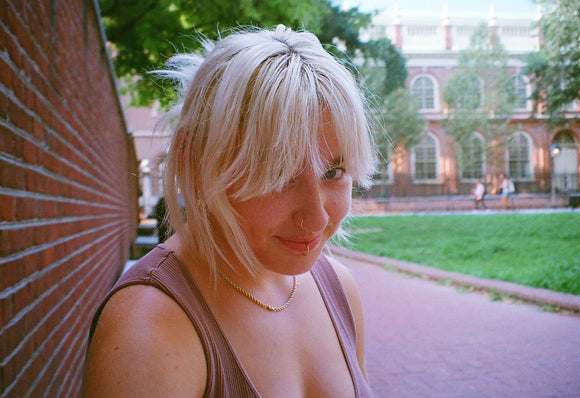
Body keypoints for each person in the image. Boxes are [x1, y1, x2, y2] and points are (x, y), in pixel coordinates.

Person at [82, 25, 377, 397]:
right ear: (195, 162)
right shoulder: (148, 329)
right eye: (278, 173)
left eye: (333, 172)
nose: (317, 218)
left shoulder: (339, 288)